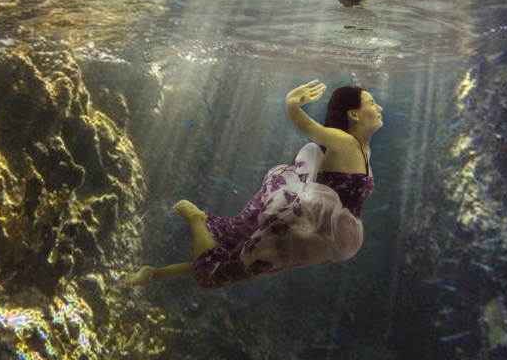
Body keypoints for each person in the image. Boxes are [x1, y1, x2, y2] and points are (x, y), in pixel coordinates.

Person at [123, 81, 381, 290]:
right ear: (353, 114)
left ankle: (155, 274)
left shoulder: (362, 147)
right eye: (371, 103)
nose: (379, 107)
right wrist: (291, 104)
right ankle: (196, 219)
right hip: (309, 230)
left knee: (241, 262)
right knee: (214, 276)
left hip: (322, 234)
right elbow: (305, 126)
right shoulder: (343, 141)